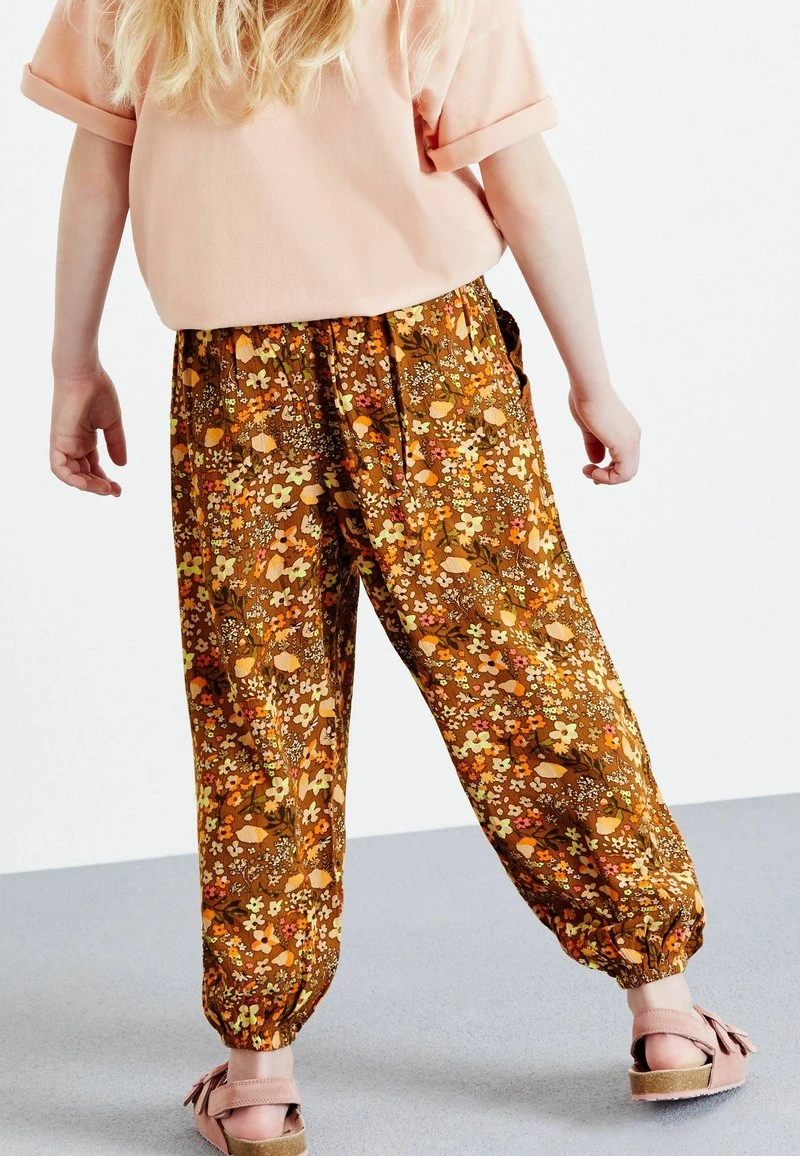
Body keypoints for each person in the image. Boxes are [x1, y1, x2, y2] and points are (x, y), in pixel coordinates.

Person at [20, 0, 756, 1151]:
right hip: (432, 362)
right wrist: (592, 380)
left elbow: (96, 172)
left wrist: (74, 368)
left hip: (235, 385)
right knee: (527, 675)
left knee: (260, 711)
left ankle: (257, 1080)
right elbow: (521, 184)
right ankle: (663, 1014)